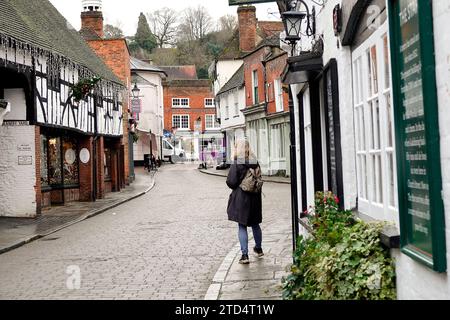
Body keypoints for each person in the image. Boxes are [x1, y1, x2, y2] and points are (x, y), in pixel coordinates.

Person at [226, 139, 264, 265]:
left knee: (242, 225)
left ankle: (244, 255)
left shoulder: (237, 162)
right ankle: (258, 249)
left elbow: (231, 182)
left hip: (242, 198)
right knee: (255, 224)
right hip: (255, 197)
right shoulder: (255, 162)